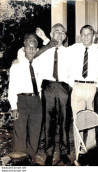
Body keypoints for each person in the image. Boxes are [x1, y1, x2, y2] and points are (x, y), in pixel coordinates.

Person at [33, 23, 73, 165]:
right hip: (48, 86)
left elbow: (73, 70)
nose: (60, 34)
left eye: (63, 32)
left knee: (64, 122)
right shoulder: (45, 50)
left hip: (63, 87)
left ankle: (64, 153)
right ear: (51, 34)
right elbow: (33, 61)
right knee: (48, 122)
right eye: (57, 32)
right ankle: (49, 153)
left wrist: (69, 87)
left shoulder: (69, 52)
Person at [8, 33, 42, 163]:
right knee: (20, 133)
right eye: (29, 47)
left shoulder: (39, 63)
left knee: (35, 132)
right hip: (21, 101)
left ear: (37, 50)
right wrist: (14, 108)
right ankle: (20, 160)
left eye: (34, 47)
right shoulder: (16, 65)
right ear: (24, 48)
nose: (31, 50)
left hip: (36, 101)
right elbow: (12, 87)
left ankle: (31, 159)